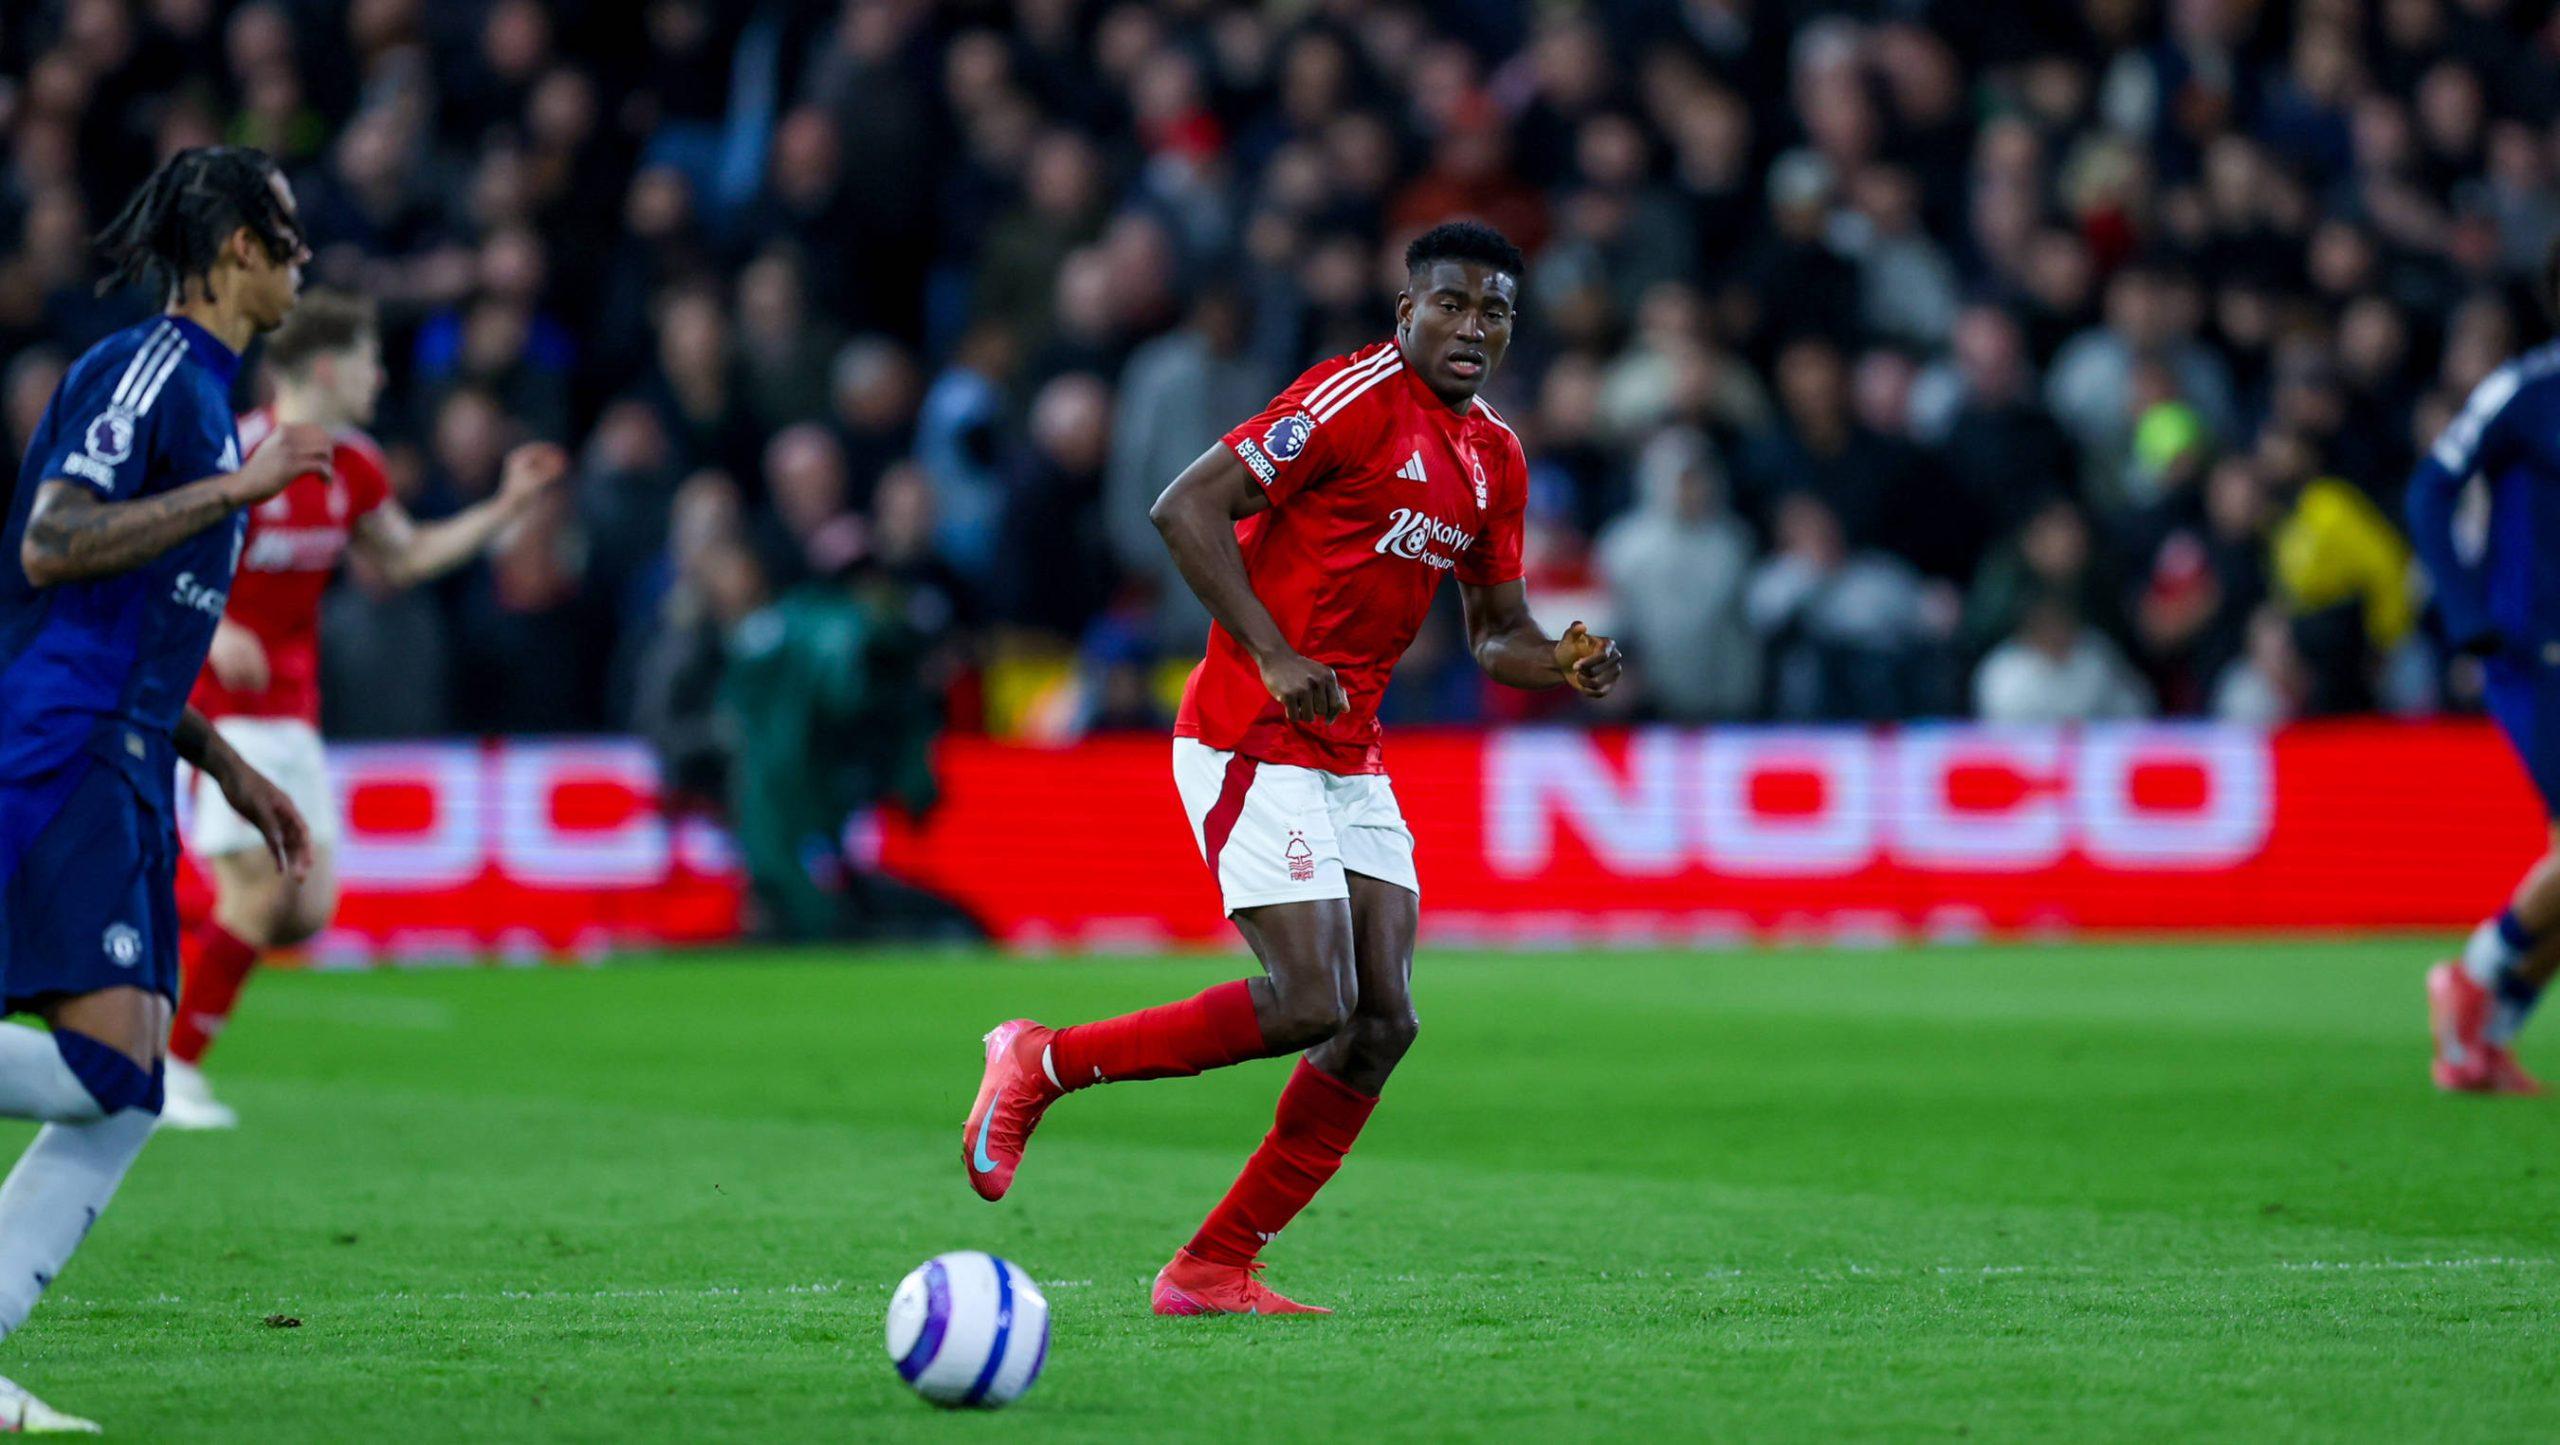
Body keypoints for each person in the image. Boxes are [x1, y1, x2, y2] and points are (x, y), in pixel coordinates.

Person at [957, 222, 1623, 1315]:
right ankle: (1039, 1060)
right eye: (1449, 304)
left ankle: (1212, 1265)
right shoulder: (1350, 398)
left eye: (1493, 312)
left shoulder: (1493, 454)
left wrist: (1560, 659)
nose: (1470, 328)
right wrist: (1270, 650)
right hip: (1245, 727)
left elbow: (1495, 626)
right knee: (1314, 995)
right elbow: (1184, 506)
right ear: (1404, 310)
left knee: (1383, 1020)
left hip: (1349, 750)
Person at [0, 146, 323, 1434]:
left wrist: (225, 761)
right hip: (57, 749)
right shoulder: (150, 372)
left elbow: (138, 618)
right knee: (113, 1059)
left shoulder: (206, 404)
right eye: (289, 236)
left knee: (128, 1083)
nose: (305, 260)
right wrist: (235, 487)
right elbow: (52, 541)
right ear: (238, 245)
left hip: (129, 753)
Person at [162, 291, 568, 1130]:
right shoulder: (237, 452)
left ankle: (164, 920)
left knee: (307, 910)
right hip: (219, 715)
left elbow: (408, 554)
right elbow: (158, 562)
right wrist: (216, 627)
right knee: (260, 897)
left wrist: (505, 508)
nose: (381, 376)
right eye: (368, 359)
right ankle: (170, 1070)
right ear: (324, 367)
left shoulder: (354, 464)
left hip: (295, 715)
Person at [2406, 240, 2560, 1096]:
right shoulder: (2526, 390)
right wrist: (2466, 616)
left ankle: (2482, 1040)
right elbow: (2430, 489)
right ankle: (2471, 977)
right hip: (2534, 652)